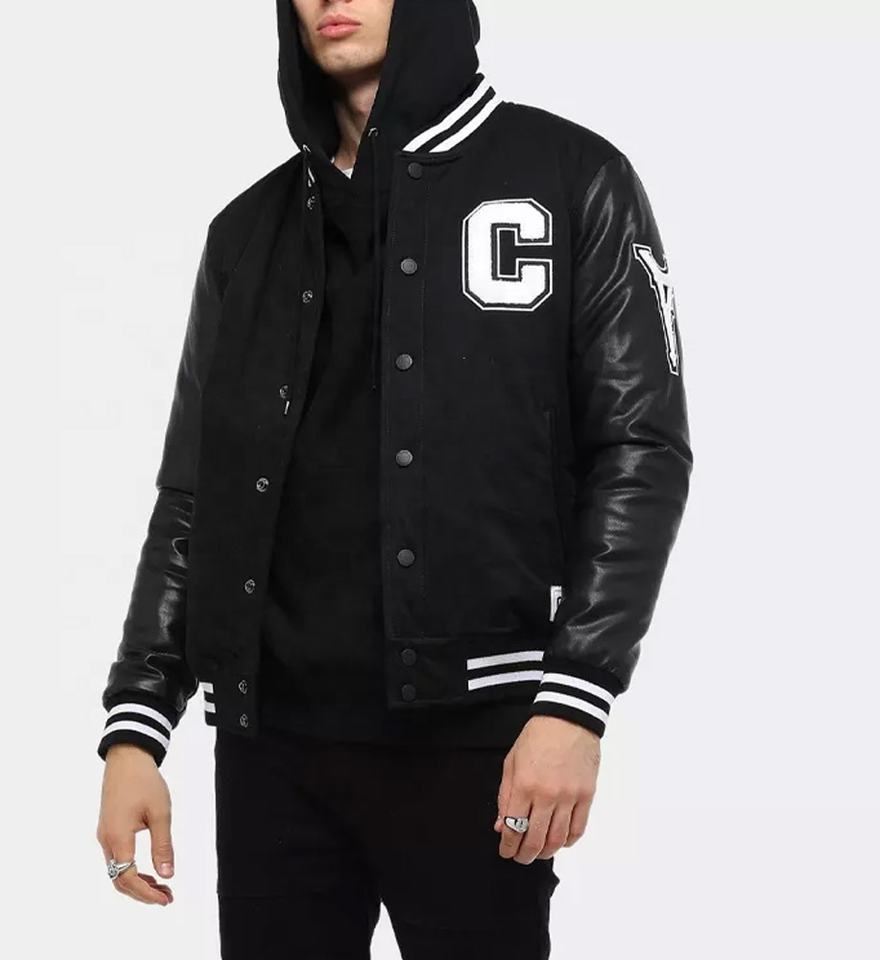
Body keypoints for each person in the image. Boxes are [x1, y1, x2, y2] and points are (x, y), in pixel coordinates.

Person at [94, 1, 693, 957]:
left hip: (477, 738)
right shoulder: (244, 233)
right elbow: (194, 493)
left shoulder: (572, 178)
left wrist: (575, 696)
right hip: (270, 749)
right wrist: (137, 724)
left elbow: (640, 447)